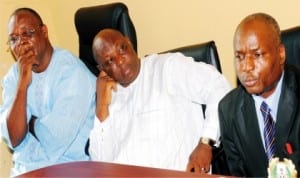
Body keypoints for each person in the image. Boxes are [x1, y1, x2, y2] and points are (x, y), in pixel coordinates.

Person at [88, 28, 232, 173]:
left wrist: (206, 143)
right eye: (110, 61)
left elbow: (219, 87)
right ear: (102, 69)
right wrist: (101, 107)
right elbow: (100, 165)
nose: (120, 61)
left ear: (129, 42)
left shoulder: (168, 68)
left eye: (122, 48)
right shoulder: (108, 95)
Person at [0, 8, 96, 176]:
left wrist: (28, 122)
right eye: (13, 39)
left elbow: (56, 137)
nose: (21, 43)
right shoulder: (13, 77)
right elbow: (14, 138)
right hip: (26, 169)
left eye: (27, 34)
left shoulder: (71, 72)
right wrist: (22, 85)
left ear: (44, 32)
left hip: (69, 167)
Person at [219, 12, 300, 177]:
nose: (246, 67)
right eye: (239, 57)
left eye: (257, 55)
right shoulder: (228, 110)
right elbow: (238, 173)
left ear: (281, 54)